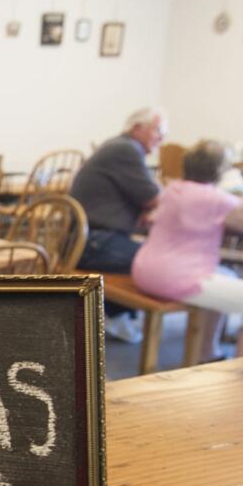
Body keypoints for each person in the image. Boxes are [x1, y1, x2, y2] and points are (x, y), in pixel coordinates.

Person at [132, 141, 243, 359]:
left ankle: (208, 352)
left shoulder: (172, 189)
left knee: (227, 276)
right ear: (221, 170)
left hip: (145, 269)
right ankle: (241, 372)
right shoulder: (215, 199)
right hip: (175, 277)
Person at [70, 107, 167, 342]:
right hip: (94, 242)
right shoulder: (126, 149)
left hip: (86, 239)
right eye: (158, 131)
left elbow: (147, 197)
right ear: (137, 128)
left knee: (147, 253)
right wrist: (149, 205)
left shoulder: (117, 146)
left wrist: (147, 206)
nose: (161, 138)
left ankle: (115, 313)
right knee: (158, 261)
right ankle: (117, 314)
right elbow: (155, 196)